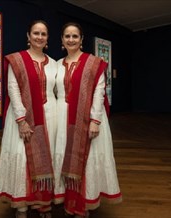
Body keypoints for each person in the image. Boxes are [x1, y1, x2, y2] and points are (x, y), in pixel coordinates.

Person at [54, 22, 122, 217]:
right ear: (62, 40)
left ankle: (83, 204)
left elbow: (99, 93)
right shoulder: (58, 65)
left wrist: (94, 120)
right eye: (67, 36)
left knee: (87, 161)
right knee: (66, 159)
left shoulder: (94, 63)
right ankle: (69, 201)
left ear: (81, 40)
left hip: (87, 120)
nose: (71, 40)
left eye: (75, 36)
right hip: (63, 120)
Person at [0, 20, 57, 218]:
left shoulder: (54, 64)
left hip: (49, 117)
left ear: (47, 38)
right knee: (22, 160)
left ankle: (43, 203)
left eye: (43, 34)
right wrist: (22, 120)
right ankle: (22, 206)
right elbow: (13, 90)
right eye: (36, 33)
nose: (39, 37)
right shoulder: (17, 60)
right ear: (28, 36)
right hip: (22, 117)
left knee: (46, 160)